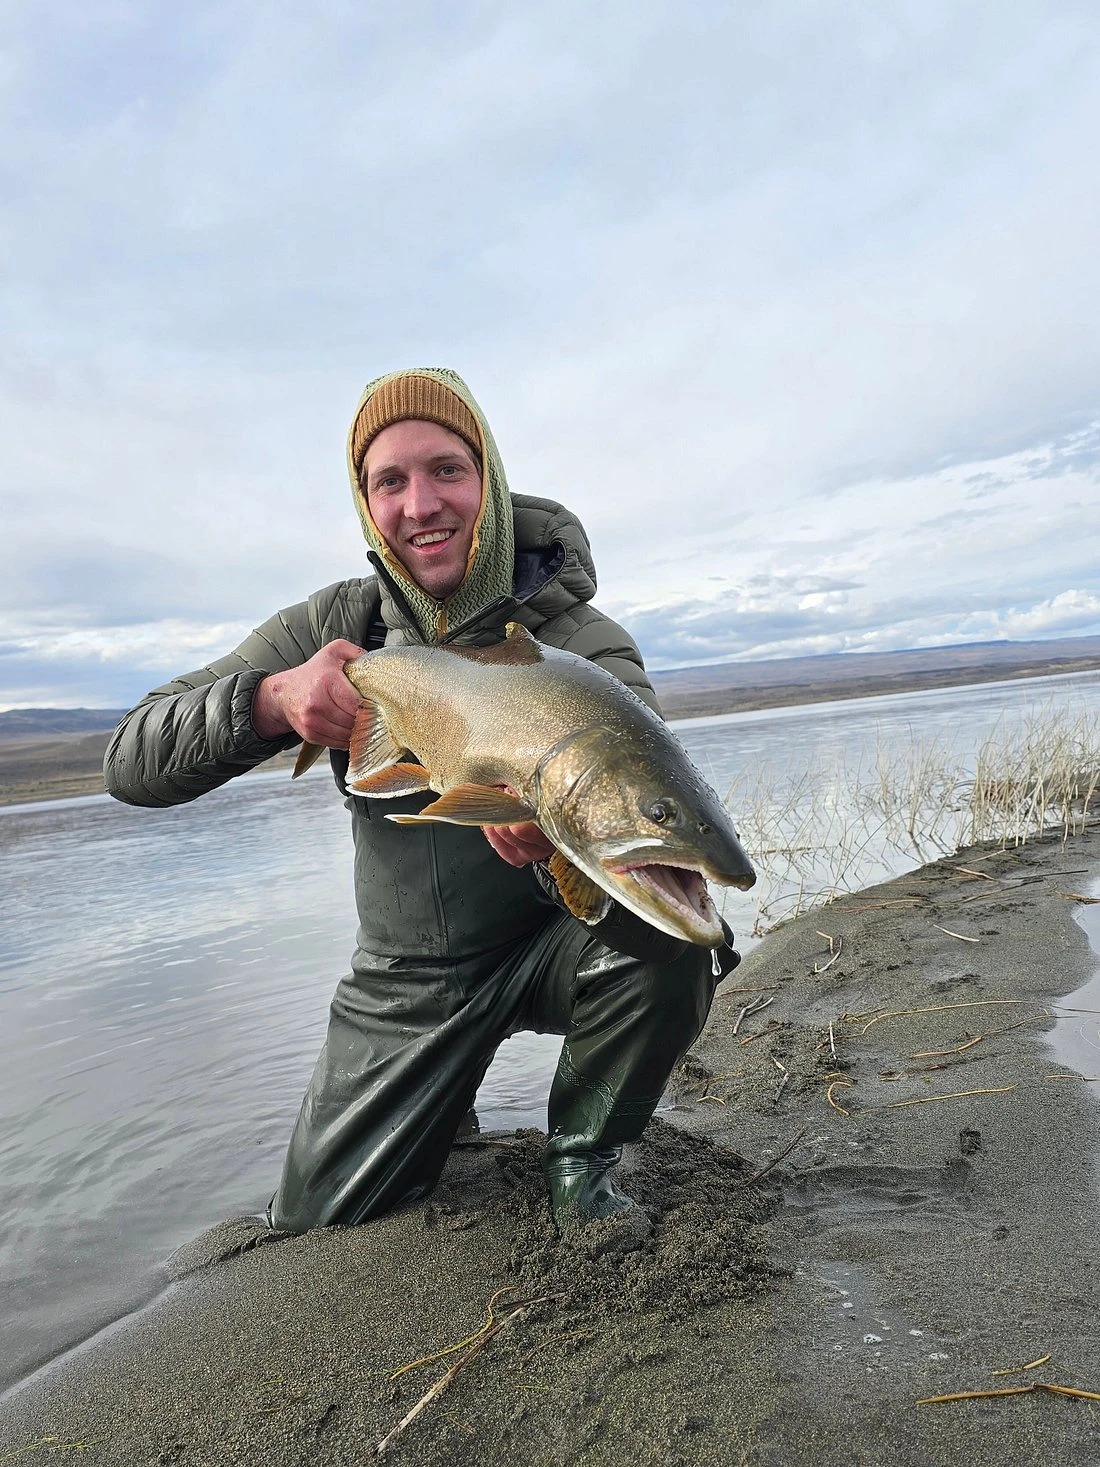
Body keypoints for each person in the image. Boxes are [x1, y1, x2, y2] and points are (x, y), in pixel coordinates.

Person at [104, 367, 738, 1235]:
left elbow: (645, 817)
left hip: (554, 945)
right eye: (389, 481)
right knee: (315, 1225)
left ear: (490, 481)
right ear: (366, 503)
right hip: (407, 980)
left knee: (675, 935)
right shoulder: (339, 624)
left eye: (447, 469)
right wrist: (271, 701)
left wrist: (554, 848)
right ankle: (445, 1097)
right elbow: (128, 760)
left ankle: (585, 1163)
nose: (421, 503)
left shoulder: (586, 646)